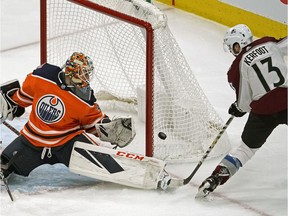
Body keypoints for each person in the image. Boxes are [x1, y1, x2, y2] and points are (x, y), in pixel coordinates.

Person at [0, 52, 171, 192]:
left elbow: (94, 123)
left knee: (108, 163)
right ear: (73, 72)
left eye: (88, 73)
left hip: (67, 143)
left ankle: (154, 175)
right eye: (84, 72)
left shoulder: (84, 97)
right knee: (4, 165)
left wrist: (110, 129)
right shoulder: (43, 76)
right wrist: (7, 103)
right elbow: (21, 98)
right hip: (32, 140)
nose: (88, 77)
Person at [197, 24, 287, 197]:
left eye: (232, 47)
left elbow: (244, 102)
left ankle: (214, 179)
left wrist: (237, 108)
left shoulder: (234, 70)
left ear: (237, 44)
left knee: (245, 151)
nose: (233, 51)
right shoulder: (268, 42)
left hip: (263, 112)